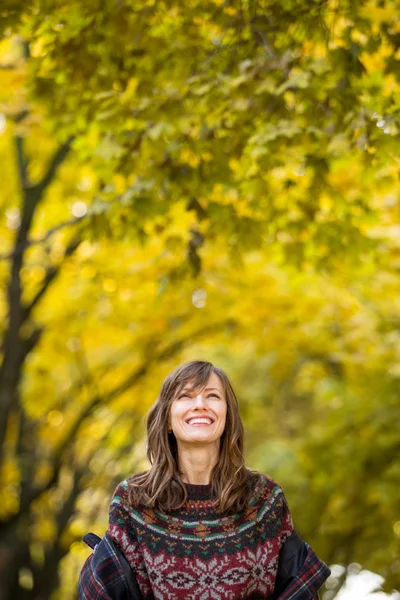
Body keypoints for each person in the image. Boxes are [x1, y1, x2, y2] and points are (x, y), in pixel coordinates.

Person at [88, 360, 331, 599]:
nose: (200, 405)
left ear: (227, 414)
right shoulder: (133, 500)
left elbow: (299, 591)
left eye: (213, 396)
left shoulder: (265, 499)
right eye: (185, 396)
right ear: (168, 418)